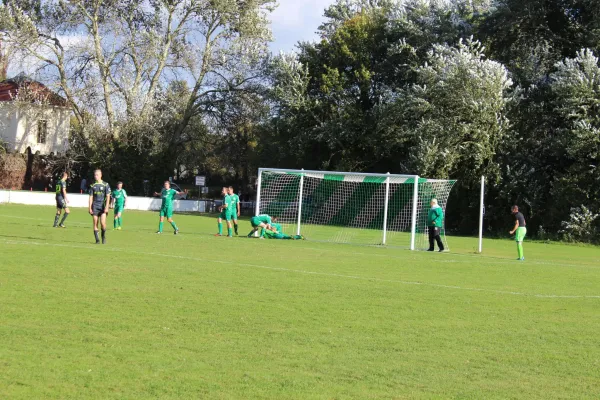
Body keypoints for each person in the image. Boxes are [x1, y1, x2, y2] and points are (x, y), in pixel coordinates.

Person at [88, 169, 111, 244]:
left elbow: (108, 197)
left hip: (103, 206)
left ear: (101, 175)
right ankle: (97, 240)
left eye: (97, 175)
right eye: (95, 175)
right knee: (95, 223)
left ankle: (103, 236)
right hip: (95, 206)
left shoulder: (105, 185)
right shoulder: (92, 185)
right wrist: (89, 207)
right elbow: (91, 197)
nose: (96, 176)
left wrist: (107, 207)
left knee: (103, 223)